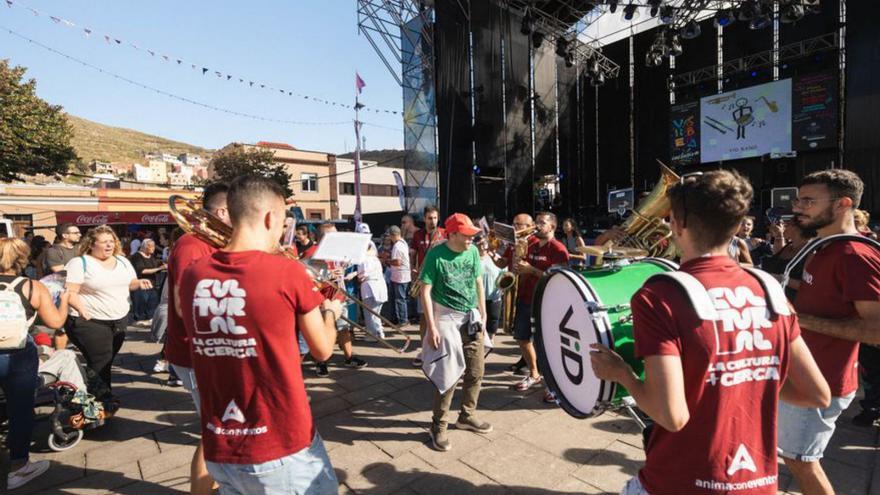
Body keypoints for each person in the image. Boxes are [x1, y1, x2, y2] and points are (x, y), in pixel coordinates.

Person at [590, 169, 830, 495]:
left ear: (676, 224)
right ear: (736, 225)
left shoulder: (660, 294)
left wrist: (622, 375)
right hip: (757, 482)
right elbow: (817, 394)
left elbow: (671, 416)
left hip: (680, 480)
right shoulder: (768, 287)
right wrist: (748, 379)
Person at [177, 175, 342, 494]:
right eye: (283, 223)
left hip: (220, 443)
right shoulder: (287, 271)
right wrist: (332, 309)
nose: (283, 232)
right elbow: (322, 350)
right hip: (280, 442)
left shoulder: (194, 275)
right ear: (270, 217)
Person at [779, 169, 880, 495]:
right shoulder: (824, 247)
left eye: (809, 200)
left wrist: (796, 320)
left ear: (843, 204)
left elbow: (876, 331)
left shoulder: (855, 255)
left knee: (801, 462)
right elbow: (825, 295)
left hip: (823, 382)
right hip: (802, 374)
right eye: (798, 199)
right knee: (788, 454)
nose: (798, 207)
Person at [165, 182, 229, 495]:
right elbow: (184, 303)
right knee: (215, 432)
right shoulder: (192, 245)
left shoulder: (215, 243)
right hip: (197, 355)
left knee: (222, 430)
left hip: (213, 352)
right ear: (222, 212)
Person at [0, 238, 70, 490]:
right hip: (18, 354)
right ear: (23, 259)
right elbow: (54, 323)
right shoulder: (33, 287)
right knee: (20, 410)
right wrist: (64, 300)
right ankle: (19, 467)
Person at [419, 213, 490, 451]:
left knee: (476, 371)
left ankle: (466, 416)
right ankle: (438, 426)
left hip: (471, 316)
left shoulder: (471, 252)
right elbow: (425, 292)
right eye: (466, 235)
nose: (471, 239)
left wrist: (483, 310)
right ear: (452, 234)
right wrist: (431, 327)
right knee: (448, 377)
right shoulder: (436, 255)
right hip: (446, 318)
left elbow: (478, 281)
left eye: (472, 234)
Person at [64, 225, 151, 399]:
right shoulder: (80, 263)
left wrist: (139, 283)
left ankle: (86, 393)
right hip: (89, 320)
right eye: (104, 242)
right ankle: (100, 401)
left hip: (118, 319)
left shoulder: (123, 261)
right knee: (101, 360)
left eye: (112, 241)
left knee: (106, 359)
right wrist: (81, 309)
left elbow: (130, 282)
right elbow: (69, 292)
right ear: (91, 244)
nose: (109, 245)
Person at [512, 212, 569, 398]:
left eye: (542, 223)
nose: (537, 226)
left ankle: (554, 385)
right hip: (525, 298)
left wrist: (532, 270)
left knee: (548, 346)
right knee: (522, 338)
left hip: (546, 303)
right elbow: (521, 265)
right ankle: (534, 373)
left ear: (552, 227)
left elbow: (559, 280)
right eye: (536, 222)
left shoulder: (559, 249)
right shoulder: (531, 244)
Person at [311, 223, 368, 376]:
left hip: (338, 296)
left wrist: (340, 271)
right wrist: (329, 276)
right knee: (321, 331)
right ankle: (320, 361)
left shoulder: (335, 253)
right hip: (321, 300)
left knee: (344, 328)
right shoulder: (314, 254)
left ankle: (349, 357)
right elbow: (308, 281)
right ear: (325, 238)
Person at [760, 219, 814, 300]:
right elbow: (776, 257)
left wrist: (781, 279)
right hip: (775, 300)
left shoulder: (811, 252)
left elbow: (808, 285)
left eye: (787, 225)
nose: (783, 227)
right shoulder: (788, 246)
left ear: (797, 229)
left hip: (793, 304)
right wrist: (779, 234)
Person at [357, 235, 388, 340]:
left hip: (370, 288)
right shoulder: (375, 259)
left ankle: (375, 334)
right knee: (376, 313)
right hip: (379, 287)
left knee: (370, 313)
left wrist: (356, 276)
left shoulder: (364, 259)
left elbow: (361, 275)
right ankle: (378, 333)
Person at [129, 239, 166, 323]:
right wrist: (159, 268)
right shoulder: (137, 256)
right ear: (145, 247)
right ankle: (139, 321)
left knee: (152, 306)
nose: (153, 248)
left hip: (151, 285)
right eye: (151, 246)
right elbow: (142, 271)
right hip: (141, 285)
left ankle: (150, 320)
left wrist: (162, 266)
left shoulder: (151, 256)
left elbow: (155, 266)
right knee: (141, 306)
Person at [476, 233, 504, 343]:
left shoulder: (496, 257)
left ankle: (491, 339)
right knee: (478, 320)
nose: (483, 245)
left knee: (493, 319)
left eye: (485, 242)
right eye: (480, 243)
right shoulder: (473, 257)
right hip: (477, 296)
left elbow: (504, 273)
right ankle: (479, 339)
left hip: (494, 295)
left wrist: (503, 286)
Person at [387, 225, 411, 326]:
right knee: (398, 298)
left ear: (393, 235)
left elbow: (397, 262)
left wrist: (387, 261)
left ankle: (403, 320)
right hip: (400, 276)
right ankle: (397, 319)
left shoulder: (397, 246)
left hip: (400, 277)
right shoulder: (403, 243)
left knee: (400, 299)